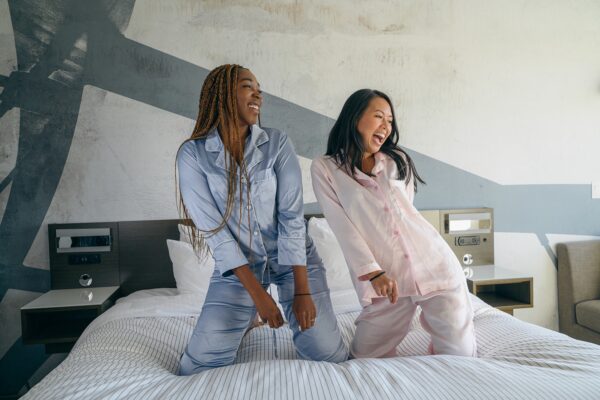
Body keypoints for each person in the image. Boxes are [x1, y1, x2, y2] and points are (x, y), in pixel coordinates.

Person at [176, 64, 348, 375]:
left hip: (294, 262)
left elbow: (291, 217)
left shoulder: (277, 143)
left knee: (329, 356)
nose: (258, 94)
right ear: (223, 94)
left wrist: (302, 292)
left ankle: (254, 315)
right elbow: (217, 234)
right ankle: (245, 320)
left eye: (259, 89)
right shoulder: (193, 154)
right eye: (247, 86)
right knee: (197, 367)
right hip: (239, 269)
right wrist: (259, 298)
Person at [310, 89, 477, 359]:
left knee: (461, 355)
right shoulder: (326, 168)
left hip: (435, 265)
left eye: (390, 120)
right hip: (386, 280)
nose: (386, 127)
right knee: (366, 356)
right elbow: (343, 228)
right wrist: (374, 272)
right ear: (354, 118)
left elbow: (404, 219)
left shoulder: (396, 160)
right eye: (378, 117)